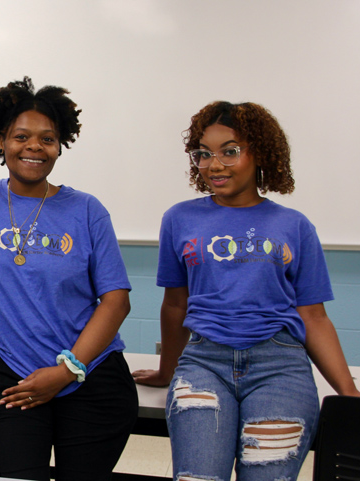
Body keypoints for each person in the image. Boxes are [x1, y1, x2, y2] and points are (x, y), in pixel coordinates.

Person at [132, 101, 360, 480]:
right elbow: (175, 305)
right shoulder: (179, 218)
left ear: (260, 154)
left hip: (280, 366)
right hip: (204, 362)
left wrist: (349, 395)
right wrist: (167, 371)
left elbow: (313, 316)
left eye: (230, 151)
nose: (214, 165)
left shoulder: (294, 225)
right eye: (203, 154)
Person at [0, 77, 138, 481]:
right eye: (21, 136)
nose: (34, 147)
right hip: (16, 378)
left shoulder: (87, 210)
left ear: (60, 145)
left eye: (47, 139)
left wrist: (66, 371)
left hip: (90, 377)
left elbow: (117, 301)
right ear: (1, 140)